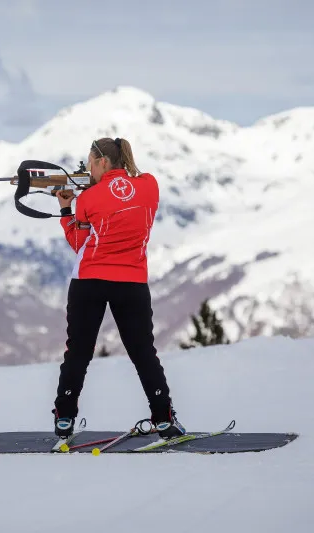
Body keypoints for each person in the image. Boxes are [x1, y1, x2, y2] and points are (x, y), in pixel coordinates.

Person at [51, 137, 186, 440]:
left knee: (79, 352)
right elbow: (126, 195)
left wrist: (65, 210)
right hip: (132, 282)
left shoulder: (88, 200)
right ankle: (163, 417)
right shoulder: (150, 186)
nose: (88, 169)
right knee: (143, 353)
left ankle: (64, 417)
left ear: (103, 162)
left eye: (90, 163)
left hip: (89, 281)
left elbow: (79, 243)